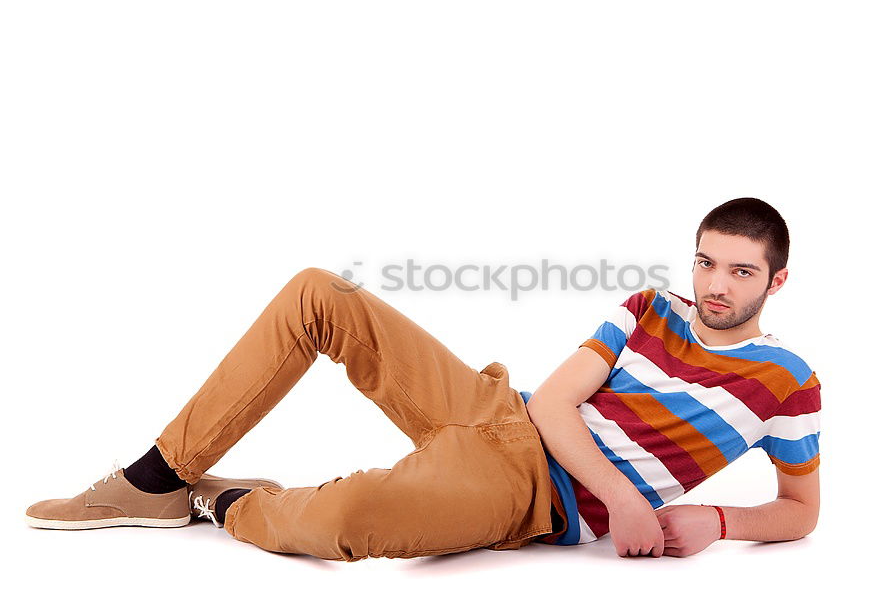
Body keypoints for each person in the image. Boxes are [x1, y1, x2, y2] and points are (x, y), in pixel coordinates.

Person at [24, 196, 821, 561]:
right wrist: (623, 497)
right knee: (319, 293)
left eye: (740, 271)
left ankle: (220, 499)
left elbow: (799, 510)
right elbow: (551, 399)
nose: (716, 284)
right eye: (706, 261)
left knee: (358, 515)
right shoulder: (652, 306)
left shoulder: (788, 381)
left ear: (774, 282)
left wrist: (719, 520)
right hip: (500, 413)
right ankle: (151, 477)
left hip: (529, 494)